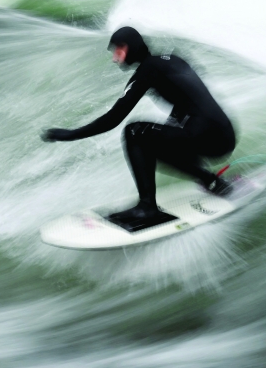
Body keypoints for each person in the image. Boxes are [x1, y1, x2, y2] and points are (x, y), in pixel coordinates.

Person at [41, 27, 236, 223]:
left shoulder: (147, 70)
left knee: (134, 132)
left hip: (207, 137)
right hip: (224, 136)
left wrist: (69, 135)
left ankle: (147, 207)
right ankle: (212, 181)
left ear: (129, 47)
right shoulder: (171, 60)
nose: (115, 59)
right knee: (157, 141)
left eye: (117, 51)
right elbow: (191, 100)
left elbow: (113, 119)